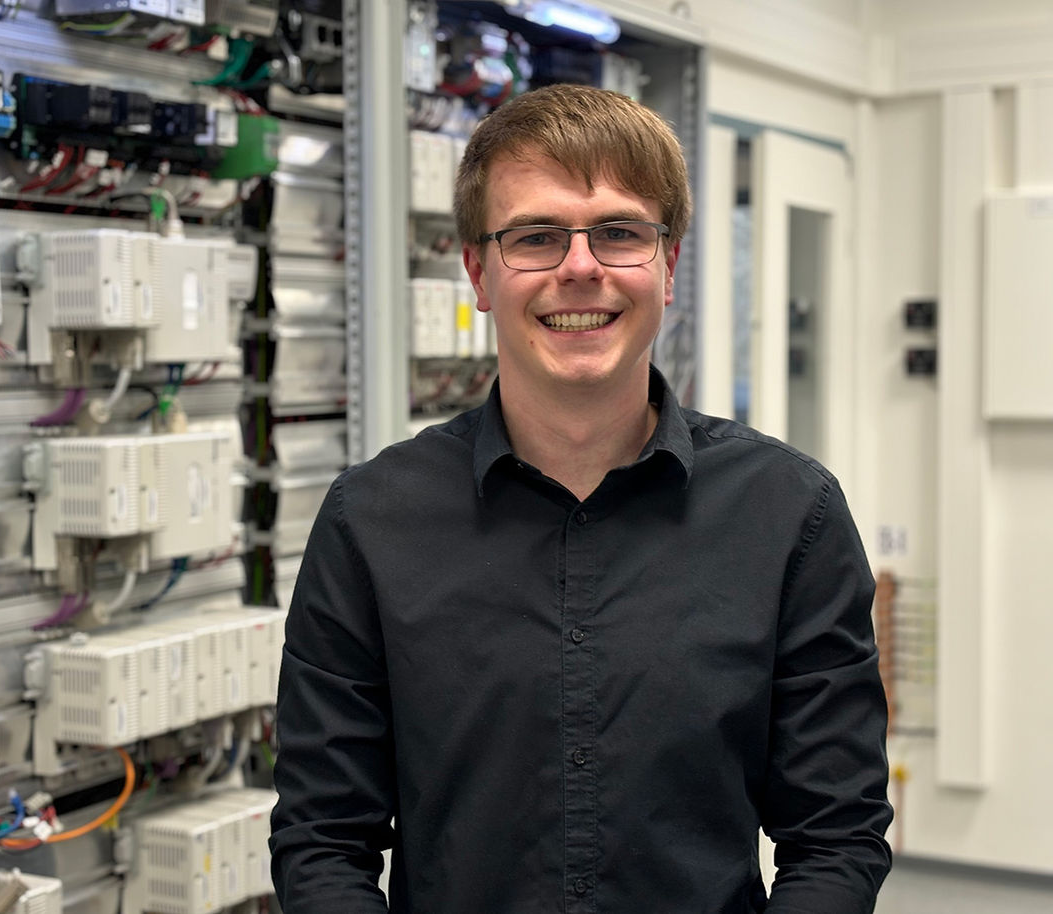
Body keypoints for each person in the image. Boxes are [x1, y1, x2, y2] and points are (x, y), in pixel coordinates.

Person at [270, 83, 892, 914]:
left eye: (620, 233)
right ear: (478, 272)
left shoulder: (790, 516)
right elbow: (323, 843)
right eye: (535, 236)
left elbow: (836, 837)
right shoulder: (369, 524)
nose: (580, 268)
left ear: (668, 267)